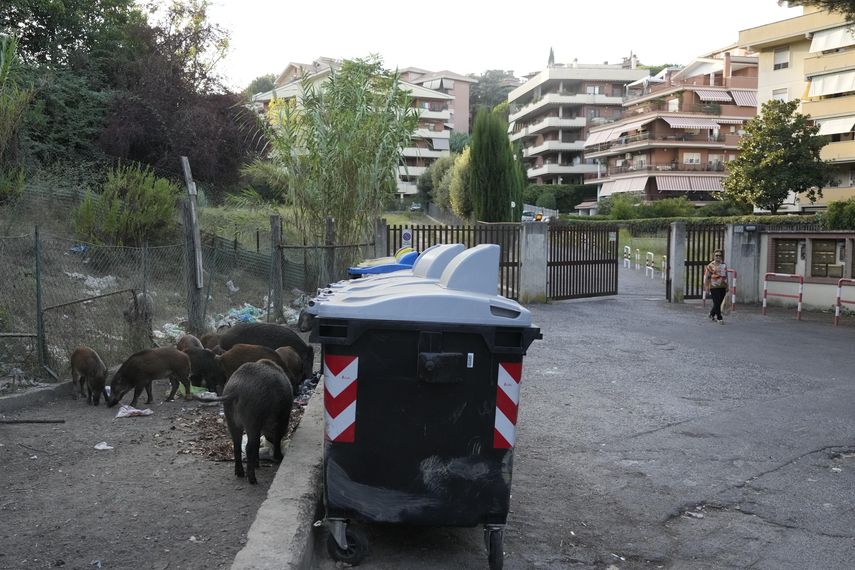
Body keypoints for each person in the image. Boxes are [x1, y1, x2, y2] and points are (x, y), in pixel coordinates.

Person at [704, 249, 728, 324]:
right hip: (714, 286)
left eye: (719, 255)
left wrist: (727, 285)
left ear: (721, 257)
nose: (718, 257)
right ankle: (719, 318)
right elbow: (707, 277)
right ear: (713, 256)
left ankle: (711, 314)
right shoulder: (710, 266)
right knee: (717, 302)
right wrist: (707, 287)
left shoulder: (724, 265)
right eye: (716, 255)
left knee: (719, 302)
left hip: (722, 286)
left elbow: (726, 276)